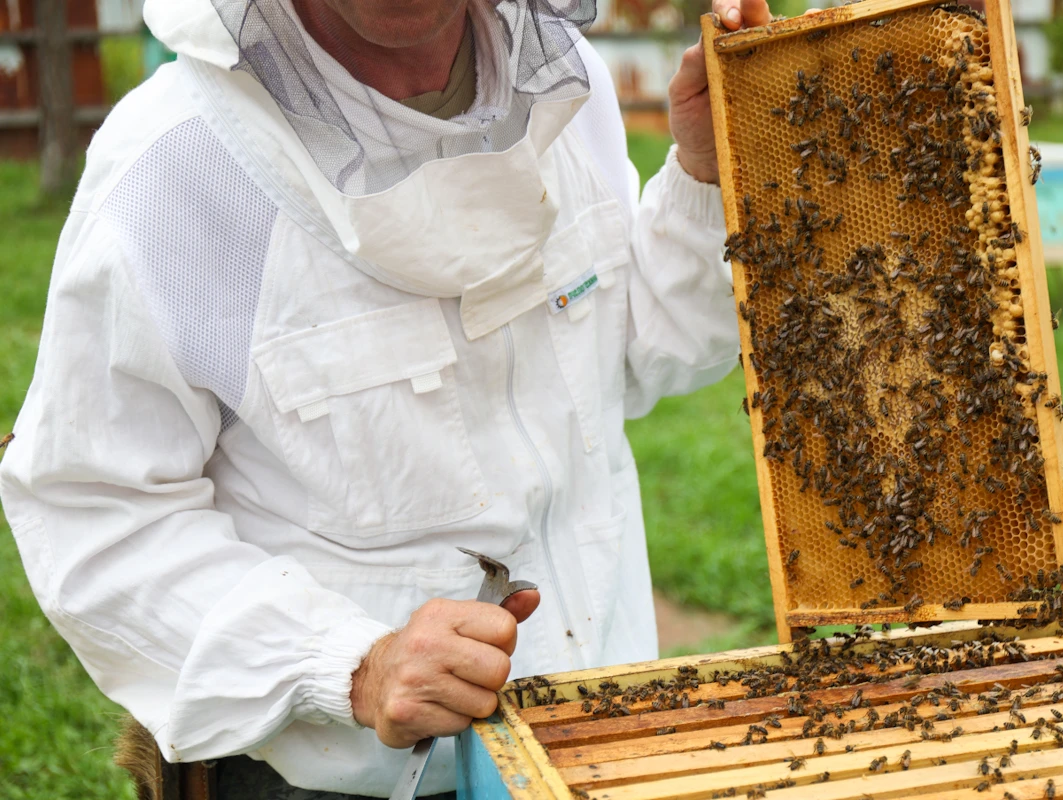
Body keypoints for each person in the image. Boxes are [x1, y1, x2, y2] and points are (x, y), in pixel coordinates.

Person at [0, 0, 772, 797]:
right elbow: (94, 511)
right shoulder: (171, 169)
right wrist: (352, 666)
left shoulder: (565, 84)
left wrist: (703, 178)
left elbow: (630, 353)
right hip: (339, 780)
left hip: (604, 736)